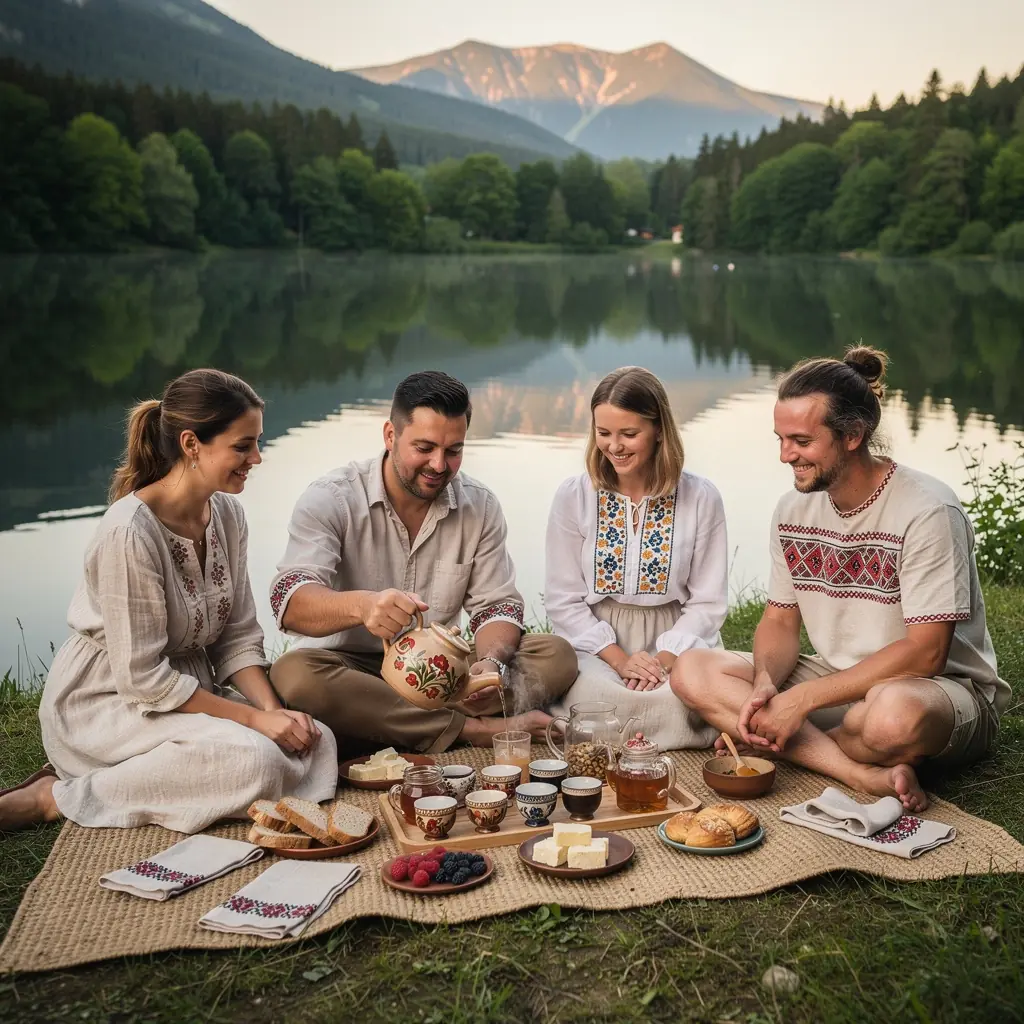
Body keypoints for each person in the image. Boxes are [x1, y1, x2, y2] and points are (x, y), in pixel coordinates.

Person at [672, 347, 1010, 811]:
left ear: (852, 435)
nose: (785, 455)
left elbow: (926, 653)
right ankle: (854, 770)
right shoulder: (793, 510)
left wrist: (801, 703)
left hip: (938, 692)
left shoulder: (928, 510)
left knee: (892, 720)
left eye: (801, 441)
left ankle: (789, 744)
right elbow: (779, 622)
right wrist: (765, 686)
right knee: (694, 669)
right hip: (841, 681)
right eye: (781, 438)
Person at [0, 370, 337, 834]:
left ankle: (167, 773)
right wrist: (255, 721)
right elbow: (142, 679)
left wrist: (272, 712)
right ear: (191, 444)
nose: (256, 458)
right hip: (110, 704)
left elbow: (236, 637)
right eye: (243, 446)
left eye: (257, 442)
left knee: (317, 742)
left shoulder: (229, 515)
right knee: (254, 760)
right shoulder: (128, 532)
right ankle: (54, 797)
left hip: (185, 691)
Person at [268, 370, 578, 755]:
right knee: (293, 676)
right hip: (350, 669)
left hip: (444, 674)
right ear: (390, 435)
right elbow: (290, 600)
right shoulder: (331, 498)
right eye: (424, 447)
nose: (439, 464)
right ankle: (474, 730)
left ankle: (390, 725)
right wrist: (363, 606)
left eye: (453, 450)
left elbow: (495, 605)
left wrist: (490, 665)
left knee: (557, 655)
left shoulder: (480, 505)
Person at [545, 366, 727, 749]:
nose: (614, 446)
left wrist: (664, 658)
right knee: (597, 700)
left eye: (629, 434)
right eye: (604, 433)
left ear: (659, 429)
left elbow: (708, 603)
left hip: (676, 637)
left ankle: (669, 723)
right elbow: (563, 599)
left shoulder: (701, 497)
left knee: (679, 696)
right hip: (596, 639)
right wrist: (618, 660)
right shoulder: (574, 496)